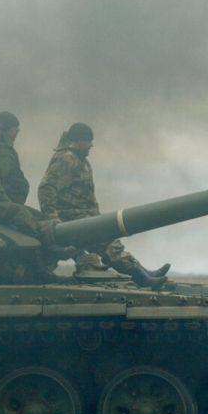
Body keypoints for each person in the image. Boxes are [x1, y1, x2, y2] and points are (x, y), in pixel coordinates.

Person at [38, 122, 170, 289]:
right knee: (109, 245)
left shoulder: (80, 160)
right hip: (73, 218)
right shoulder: (66, 159)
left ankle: (144, 274)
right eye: (88, 141)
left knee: (111, 242)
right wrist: (52, 217)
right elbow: (47, 187)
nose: (91, 145)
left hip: (85, 216)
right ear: (78, 140)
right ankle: (144, 279)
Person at [0, 111, 30, 205]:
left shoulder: (5, 149)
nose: (18, 130)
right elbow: (3, 179)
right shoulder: (4, 151)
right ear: (6, 128)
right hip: (8, 203)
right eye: (14, 126)